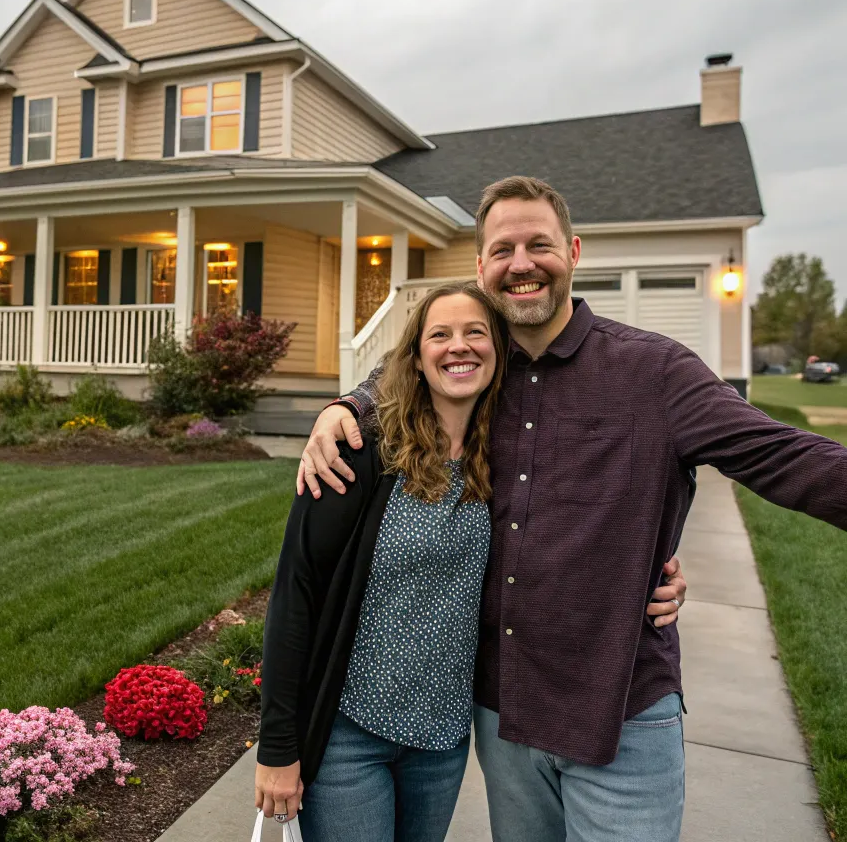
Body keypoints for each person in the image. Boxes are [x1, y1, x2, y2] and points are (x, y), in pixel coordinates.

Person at [297, 176, 847, 842]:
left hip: (621, 712)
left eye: (539, 245)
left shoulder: (656, 373)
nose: (521, 263)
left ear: (574, 252)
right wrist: (345, 407)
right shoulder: (475, 376)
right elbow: (404, 372)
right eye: (502, 249)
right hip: (506, 720)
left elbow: (786, 457)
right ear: (481, 267)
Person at [256, 281, 685, 842]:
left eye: (475, 333)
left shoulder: (504, 461)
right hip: (350, 733)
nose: (458, 347)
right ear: (414, 357)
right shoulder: (359, 454)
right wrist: (277, 750)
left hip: (442, 742)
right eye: (440, 335)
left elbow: (572, 541)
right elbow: (295, 597)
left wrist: (656, 573)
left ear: (497, 353)